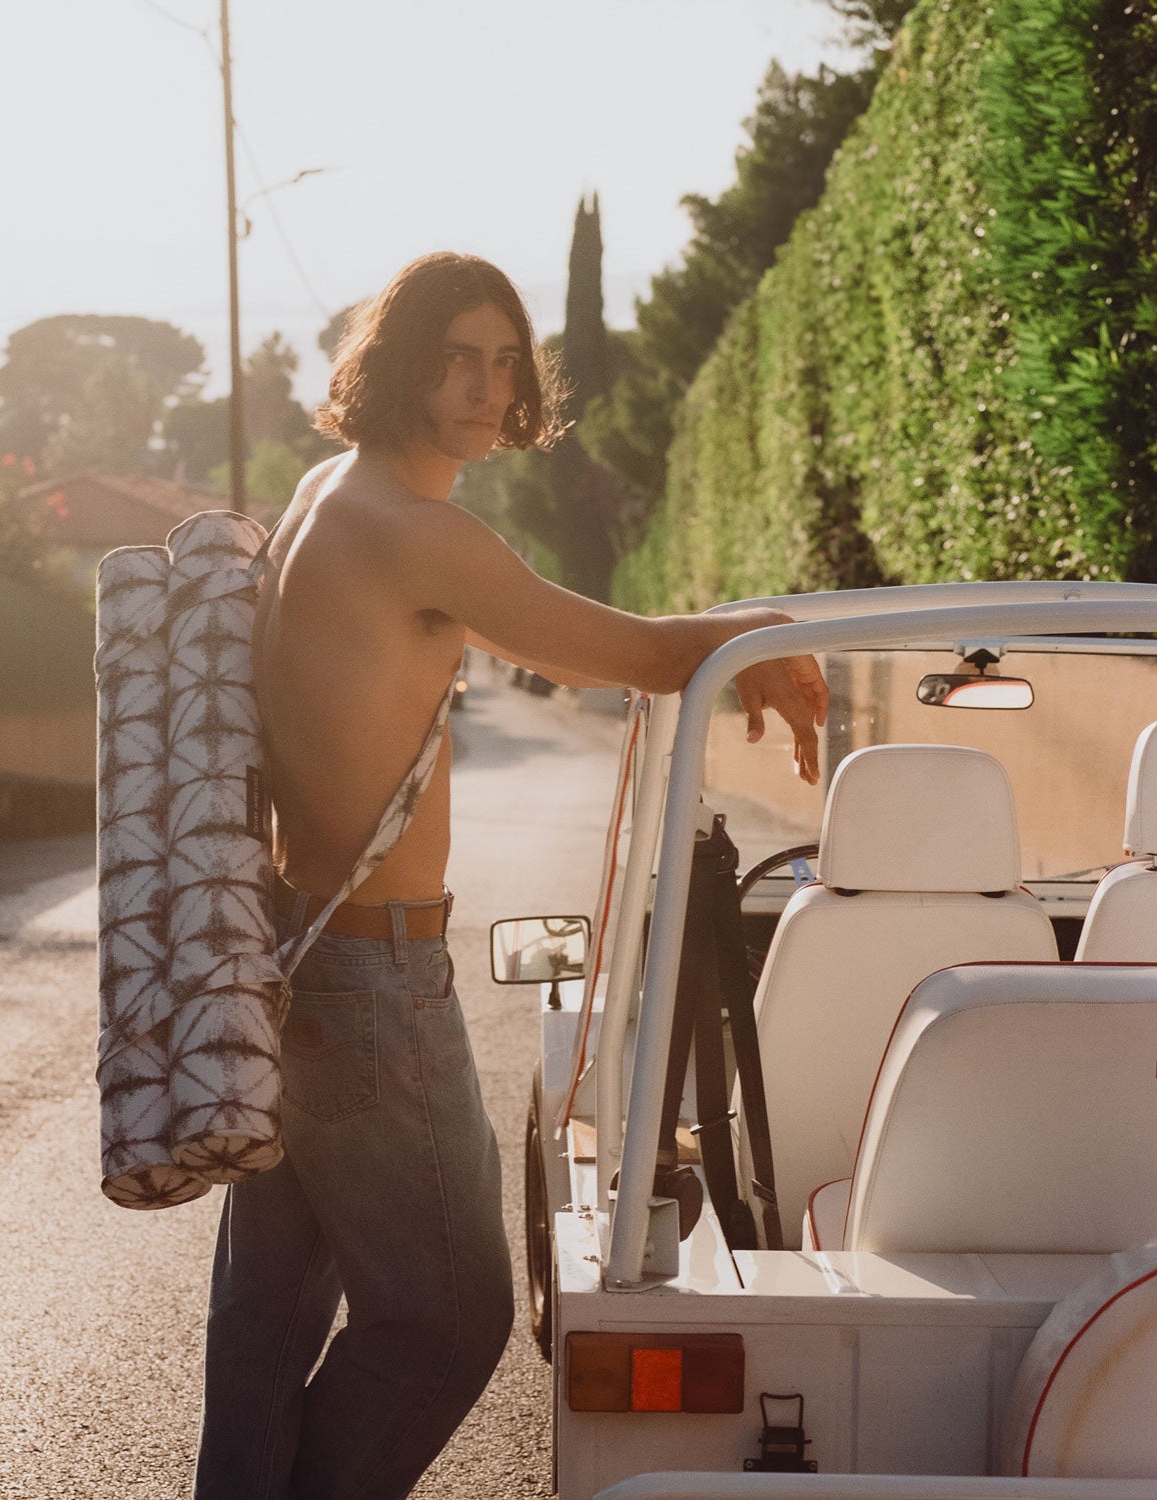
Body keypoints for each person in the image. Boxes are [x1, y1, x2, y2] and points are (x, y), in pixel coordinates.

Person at [194, 252, 828, 1500]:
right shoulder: (420, 533)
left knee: (264, 1328)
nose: (486, 387)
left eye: (504, 359)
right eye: (455, 358)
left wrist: (742, 635)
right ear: (396, 365)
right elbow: (635, 652)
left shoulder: (329, 493)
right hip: (369, 975)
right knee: (450, 1321)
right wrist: (769, 636)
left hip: (286, 951)